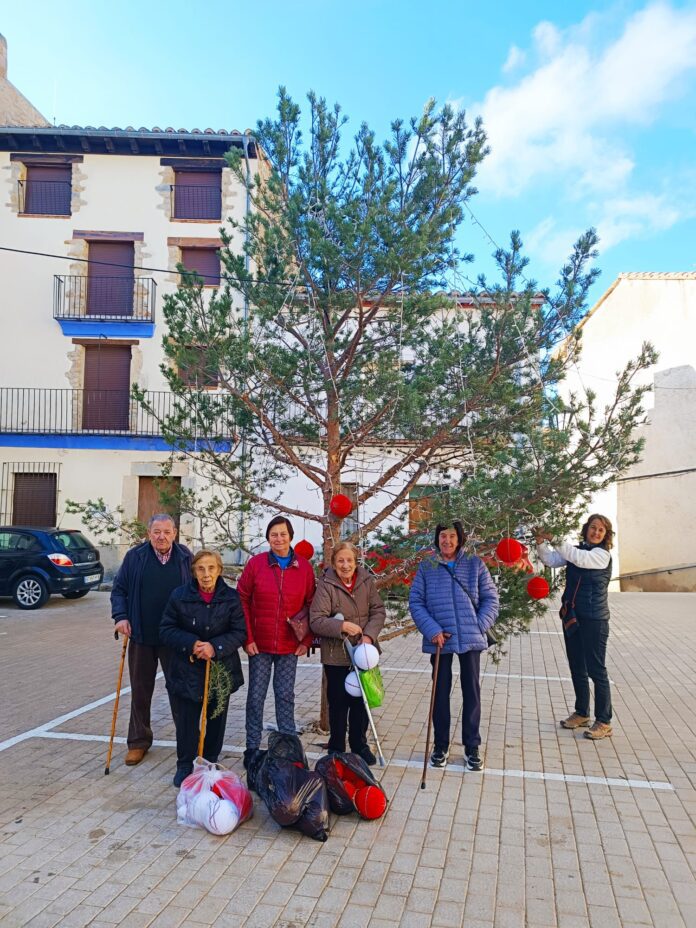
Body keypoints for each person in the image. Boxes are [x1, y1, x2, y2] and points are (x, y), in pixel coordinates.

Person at [409, 520, 499, 771]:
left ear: (459, 539)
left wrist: (479, 624)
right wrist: (433, 630)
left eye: (451, 536)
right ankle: (440, 745)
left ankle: (472, 746)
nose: (446, 541)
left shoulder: (474, 564)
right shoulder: (427, 567)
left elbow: (491, 598)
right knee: (440, 693)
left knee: (472, 693)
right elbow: (416, 602)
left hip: (470, 638)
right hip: (440, 639)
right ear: (437, 539)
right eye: (442, 536)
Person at [111, 514, 192, 766]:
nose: (162, 537)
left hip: (175, 638)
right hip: (142, 634)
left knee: (179, 690)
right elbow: (119, 589)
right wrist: (121, 617)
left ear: (175, 533)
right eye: (157, 532)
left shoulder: (185, 557)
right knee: (140, 690)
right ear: (149, 534)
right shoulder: (135, 557)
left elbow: (196, 591)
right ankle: (138, 742)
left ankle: (186, 742)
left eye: (167, 532)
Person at [159, 549, 247, 786]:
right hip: (187, 669)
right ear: (194, 572)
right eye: (200, 569)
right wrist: (192, 643)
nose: (206, 574)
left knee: (216, 719)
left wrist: (215, 647)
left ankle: (209, 761)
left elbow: (239, 632)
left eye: (211, 568)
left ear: (219, 571)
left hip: (220, 670)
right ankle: (185, 764)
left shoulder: (231, 597)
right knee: (187, 721)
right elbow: (166, 629)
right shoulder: (179, 596)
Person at [237, 516, 316, 766]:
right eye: (274, 534)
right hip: (259, 645)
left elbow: (312, 604)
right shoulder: (256, 564)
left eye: (283, 534)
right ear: (268, 538)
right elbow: (242, 599)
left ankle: (289, 748)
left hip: (289, 645)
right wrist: (247, 637)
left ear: (290, 536)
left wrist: (307, 640)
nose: (278, 539)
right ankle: (252, 748)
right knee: (255, 697)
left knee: (285, 696)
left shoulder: (304, 568)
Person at [536, 514, 614, 740]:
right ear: (586, 529)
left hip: (594, 619)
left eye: (601, 530)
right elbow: (551, 560)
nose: (596, 532)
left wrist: (553, 537)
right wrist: (541, 542)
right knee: (577, 666)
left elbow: (577, 558)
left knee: (596, 670)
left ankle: (604, 721)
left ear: (606, 535)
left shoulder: (601, 555)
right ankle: (582, 713)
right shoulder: (577, 550)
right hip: (573, 617)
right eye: (593, 528)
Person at [309, 541, 386, 766]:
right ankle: (336, 746)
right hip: (337, 655)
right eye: (340, 560)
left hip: (363, 652)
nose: (345, 565)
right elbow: (316, 620)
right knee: (338, 701)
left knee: (361, 700)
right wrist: (341, 626)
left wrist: (368, 636)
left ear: (356, 561)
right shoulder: (326, 585)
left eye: (349, 560)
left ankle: (359, 744)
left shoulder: (366, 581)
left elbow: (378, 611)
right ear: (333, 563)